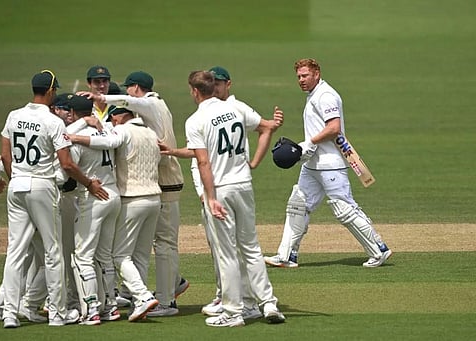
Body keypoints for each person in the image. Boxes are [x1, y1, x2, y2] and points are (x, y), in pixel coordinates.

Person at [0, 70, 108, 328]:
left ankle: (9, 314)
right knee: (53, 252)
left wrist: (17, 177)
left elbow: (5, 158)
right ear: (49, 91)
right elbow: (67, 164)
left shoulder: (14, 115)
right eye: (55, 90)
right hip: (43, 186)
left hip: (17, 185)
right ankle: (58, 315)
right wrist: (89, 183)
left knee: (15, 251)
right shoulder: (53, 121)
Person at [176, 70, 285, 327]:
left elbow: (202, 161)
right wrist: (254, 162)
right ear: (214, 87)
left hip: (221, 189)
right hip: (244, 185)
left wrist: (210, 197)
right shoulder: (235, 109)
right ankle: (267, 303)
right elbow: (266, 127)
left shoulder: (195, 120)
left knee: (226, 254)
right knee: (251, 248)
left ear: (194, 91)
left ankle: (233, 312)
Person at [264, 58, 392, 268]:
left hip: (330, 163)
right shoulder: (313, 95)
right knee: (297, 206)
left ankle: (379, 250)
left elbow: (334, 128)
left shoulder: (326, 95)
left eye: (305, 75)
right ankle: (286, 255)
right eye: (298, 77)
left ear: (317, 73)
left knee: (344, 208)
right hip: (312, 164)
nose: (301, 80)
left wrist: (309, 143)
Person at [79, 71, 189, 316]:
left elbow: (133, 104)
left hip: (161, 183)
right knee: (145, 248)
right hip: (156, 185)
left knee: (162, 245)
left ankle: (165, 300)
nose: (126, 94)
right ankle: (161, 287)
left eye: (128, 89)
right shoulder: (150, 115)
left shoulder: (151, 103)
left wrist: (103, 99)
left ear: (136, 87)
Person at [69, 106, 161, 322]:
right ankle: (110, 306)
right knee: (111, 256)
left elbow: (69, 163)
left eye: (113, 117)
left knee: (88, 256)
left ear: (120, 116)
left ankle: (97, 308)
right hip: (144, 197)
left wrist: (75, 135)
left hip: (108, 196)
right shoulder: (149, 131)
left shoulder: (118, 132)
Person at [65, 95, 121, 325]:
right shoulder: (106, 130)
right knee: (104, 255)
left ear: (72, 113)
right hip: (113, 194)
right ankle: (111, 307)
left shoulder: (77, 139)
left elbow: (67, 170)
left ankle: (91, 310)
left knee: (82, 257)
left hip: (92, 196)